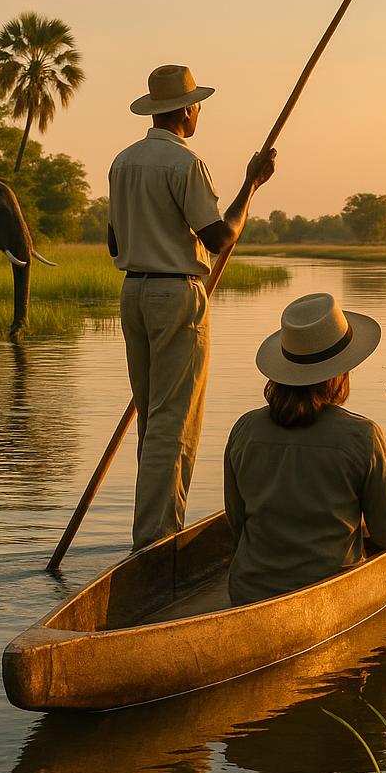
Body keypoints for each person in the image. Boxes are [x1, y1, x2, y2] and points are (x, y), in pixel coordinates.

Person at [109, 64, 276, 550]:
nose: (198, 110)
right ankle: (157, 545)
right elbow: (220, 236)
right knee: (173, 424)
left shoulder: (122, 162)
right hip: (175, 296)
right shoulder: (186, 163)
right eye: (197, 103)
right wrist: (251, 186)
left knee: (152, 419)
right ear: (185, 109)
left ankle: (148, 536)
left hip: (134, 293)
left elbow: (113, 238)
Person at [223, 292, 386, 606]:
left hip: (248, 593)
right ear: (340, 373)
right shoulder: (363, 436)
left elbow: (237, 526)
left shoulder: (244, 430)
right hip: (331, 597)